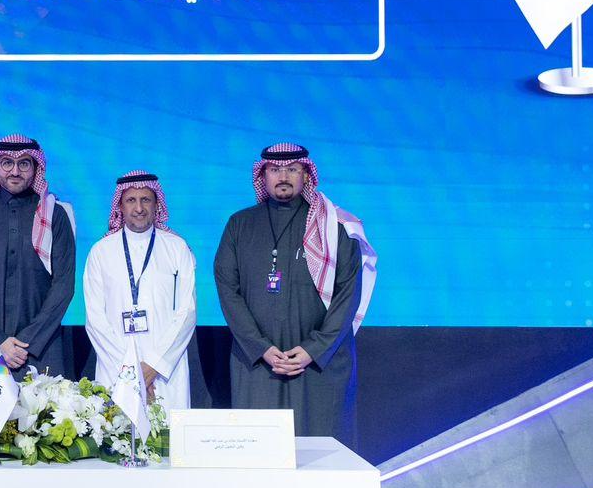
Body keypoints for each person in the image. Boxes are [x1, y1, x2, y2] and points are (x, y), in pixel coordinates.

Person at [214, 143, 377, 445]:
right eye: (275, 170)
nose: (283, 177)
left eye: (292, 169)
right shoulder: (239, 224)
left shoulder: (335, 227)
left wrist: (313, 350)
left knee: (322, 456)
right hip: (259, 363)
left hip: (320, 364)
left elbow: (348, 294)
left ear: (306, 174)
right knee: (259, 452)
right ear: (262, 176)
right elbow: (227, 289)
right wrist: (260, 347)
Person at [0, 134, 77, 379]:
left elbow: (64, 285)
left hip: (41, 349)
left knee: (46, 405)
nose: (15, 171)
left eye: (24, 164)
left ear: (36, 168)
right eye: (7, 163)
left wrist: (27, 341)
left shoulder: (55, 215)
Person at [82, 171, 197, 409]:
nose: (139, 208)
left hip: (166, 371)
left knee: (167, 430)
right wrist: (131, 372)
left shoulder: (177, 248)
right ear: (120, 206)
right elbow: (95, 319)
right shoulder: (100, 252)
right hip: (115, 368)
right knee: (116, 430)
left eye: (145, 199)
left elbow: (187, 312)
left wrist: (153, 367)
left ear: (157, 205)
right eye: (131, 200)